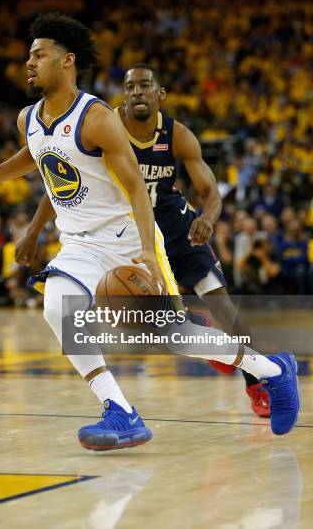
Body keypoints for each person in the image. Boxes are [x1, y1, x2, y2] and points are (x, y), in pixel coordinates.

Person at [0, 12, 300, 448]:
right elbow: (34, 155)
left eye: (39, 55)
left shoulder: (96, 118)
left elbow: (136, 186)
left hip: (126, 239)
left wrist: (150, 253)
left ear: (67, 61)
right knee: (57, 307)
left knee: (174, 340)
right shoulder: (28, 118)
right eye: (29, 56)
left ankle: (273, 370)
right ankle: (120, 410)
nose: (29, 63)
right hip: (78, 243)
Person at [116, 63, 270, 416]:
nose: (137, 92)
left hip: (178, 230)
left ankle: (256, 384)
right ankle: (202, 333)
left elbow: (210, 193)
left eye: (144, 85)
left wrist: (207, 219)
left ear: (160, 94)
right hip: (131, 234)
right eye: (130, 87)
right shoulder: (107, 128)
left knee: (226, 310)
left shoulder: (178, 135)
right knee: (150, 327)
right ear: (123, 95)